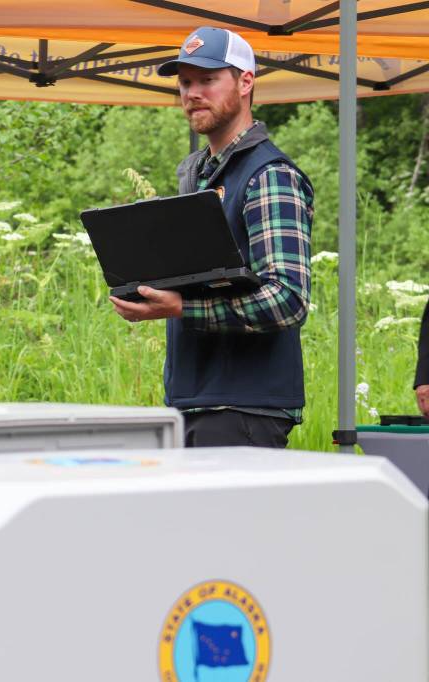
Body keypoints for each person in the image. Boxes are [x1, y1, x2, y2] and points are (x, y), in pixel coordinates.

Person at [109, 27, 314, 448]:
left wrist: (182, 308)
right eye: (185, 82)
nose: (192, 93)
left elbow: (288, 300)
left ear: (245, 82)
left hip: (245, 409)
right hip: (193, 402)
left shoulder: (269, 176)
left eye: (207, 79)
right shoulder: (200, 175)